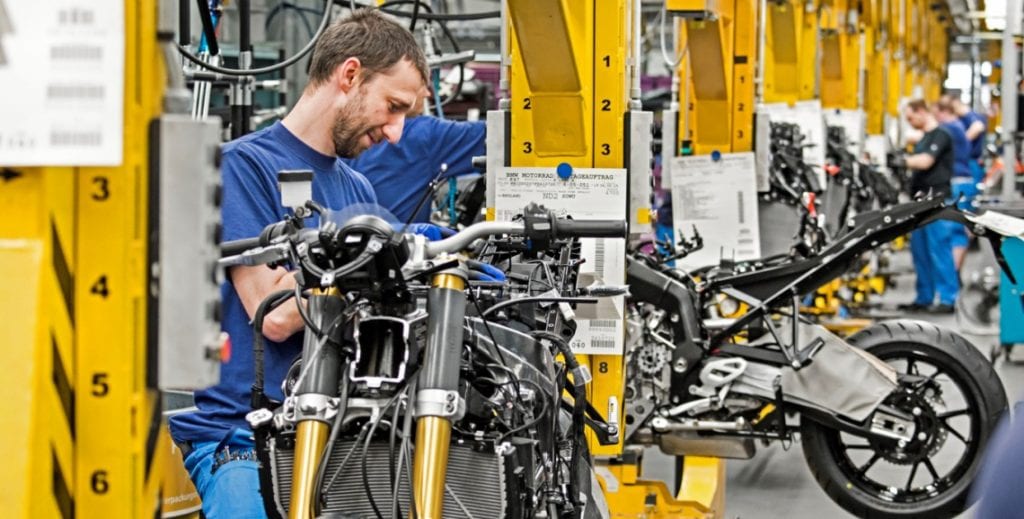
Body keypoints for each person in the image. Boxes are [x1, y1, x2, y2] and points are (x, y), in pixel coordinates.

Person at [168, 10, 429, 518]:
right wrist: (368, 270)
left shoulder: (359, 189)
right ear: (349, 75)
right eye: (393, 107)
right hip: (245, 439)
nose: (396, 133)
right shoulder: (242, 166)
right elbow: (275, 314)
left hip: (332, 433)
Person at [347, 114, 485, 223]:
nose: (427, 93)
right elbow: (497, 134)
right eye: (423, 85)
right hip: (401, 253)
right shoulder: (422, 134)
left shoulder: (343, 134)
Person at [896, 99, 958, 314]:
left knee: (939, 250)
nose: (910, 122)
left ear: (922, 111)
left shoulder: (941, 135)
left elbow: (925, 162)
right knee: (920, 252)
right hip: (920, 203)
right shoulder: (923, 138)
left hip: (938, 203)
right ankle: (924, 297)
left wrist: (901, 161)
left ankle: (948, 299)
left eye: (911, 117)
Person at [934, 99, 974, 270]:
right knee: (960, 229)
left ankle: (953, 272)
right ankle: (954, 272)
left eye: (936, 114)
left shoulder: (949, 128)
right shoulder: (958, 126)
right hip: (963, 181)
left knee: (955, 230)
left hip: (958, 183)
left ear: (944, 112)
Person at [943, 93, 988, 184]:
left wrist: (961, 142)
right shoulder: (961, 119)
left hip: (971, 161)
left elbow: (978, 127)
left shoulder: (970, 116)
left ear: (956, 103)